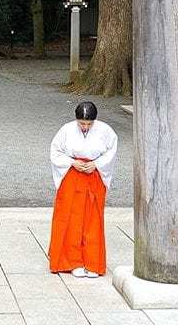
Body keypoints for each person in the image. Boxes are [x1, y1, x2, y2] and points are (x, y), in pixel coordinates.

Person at [48, 101, 118, 278]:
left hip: (94, 174)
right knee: (70, 218)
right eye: (82, 123)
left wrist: (97, 164)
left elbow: (111, 152)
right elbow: (56, 151)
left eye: (89, 123)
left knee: (93, 219)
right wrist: (72, 162)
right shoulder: (66, 130)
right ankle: (73, 261)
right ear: (76, 120)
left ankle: (93, 263)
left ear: (94, 121)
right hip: (72, 174)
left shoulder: (105, 131)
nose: (85, 127)